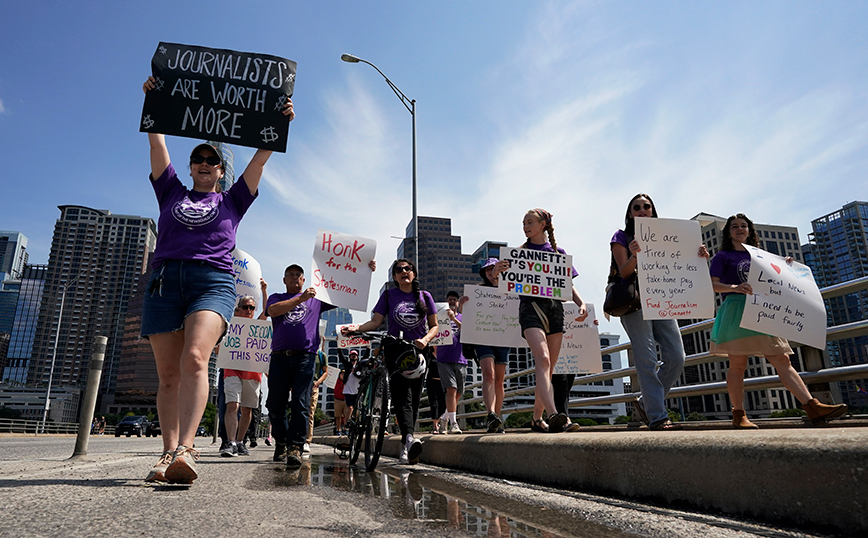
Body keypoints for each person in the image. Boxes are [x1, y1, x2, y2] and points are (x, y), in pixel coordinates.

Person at [140, 76, 294, 484]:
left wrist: (279, 126)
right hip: (166, 281)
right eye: (198, 159)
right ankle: (166, 453)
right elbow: (157, 145)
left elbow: (259, 163)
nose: (205, 164)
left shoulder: (232, 200)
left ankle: (187, 450)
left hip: (213, 281)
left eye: (212, 161)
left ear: (221, 171)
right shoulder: (170, 191)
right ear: (190, 168)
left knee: (195, 357)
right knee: (168, 375)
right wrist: (153, 102)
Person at [709, 213, 848, 428]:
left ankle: (812, 406)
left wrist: (787, 267)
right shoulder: (723, 257)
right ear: (728, 232)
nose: (739, 229)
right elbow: (713, 284)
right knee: (738, 364)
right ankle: (739, 415)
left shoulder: (761, 256)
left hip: (763, 309)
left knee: (782, 359)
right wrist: (734, 288)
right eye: (734, 226)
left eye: (743, 225)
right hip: (736, 309)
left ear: (750, 230)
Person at [611, 194, 706, 431]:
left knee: (676, 357)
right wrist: (635, 254)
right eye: (637, 207)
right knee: (647, 359)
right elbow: (624, 273)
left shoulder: (669, 235)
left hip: (663, 299)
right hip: (635, 303)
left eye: (646, 206)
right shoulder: (621, 237)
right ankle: (657, 416)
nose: (642, 210)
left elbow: (684, 264)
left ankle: (646, 403)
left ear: (653, 210)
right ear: (630, 213)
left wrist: (699, 255)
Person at [267, 262, 374, 469]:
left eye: (298, 275)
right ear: (284, 280)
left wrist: (364, 270)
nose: (294, 278)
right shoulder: (277, 298)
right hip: (279, 357)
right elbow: (272, 311)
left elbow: (346, 293)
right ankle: (281, 441)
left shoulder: (317, 300)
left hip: (305, 358)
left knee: (301, 403)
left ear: (303, 279)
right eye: (290, 275)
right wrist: (301, 299)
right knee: (274, 405)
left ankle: (296, 447)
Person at [344, 259, 438, 464]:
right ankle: (410, 439)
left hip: (419, 351)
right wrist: (356, 328)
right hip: (396, 348)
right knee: (402, 395)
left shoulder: (425, 296)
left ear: (413, 273)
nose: (404, 272)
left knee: (414, 396)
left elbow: (434, 326)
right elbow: (376, 321)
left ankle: (407, 441)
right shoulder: (388, 295)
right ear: (394, 276)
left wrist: (425, 340)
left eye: (407, 269)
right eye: (399, 270)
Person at [509, 209, 588, 433]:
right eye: (523, 222)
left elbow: (568, 283)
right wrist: (498, 271)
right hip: (530, 308)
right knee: (542, 359)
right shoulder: (518, 253)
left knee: (549, 368)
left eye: (530, 222)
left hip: (555, 309)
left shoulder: (557, 252)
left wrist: (580, 302)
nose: (525, 226)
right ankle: (555, 414)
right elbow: (504, 281)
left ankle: (536, 418)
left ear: (543, 224)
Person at [464, 258, 511, 433]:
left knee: (500, 379)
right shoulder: (478, 290)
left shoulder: (510, 289)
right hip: (483, 337)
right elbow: (468, 315)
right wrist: (463, 305)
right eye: (487, 270)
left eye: (494, 268)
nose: (491, 272)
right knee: (488, 374)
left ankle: (497, 420)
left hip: (502, 337)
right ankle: (491, 413)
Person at [220, 295, 264, 457]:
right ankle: (230, 442)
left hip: (252, 374)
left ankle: (239, 442)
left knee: (247, 409)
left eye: (251, 308)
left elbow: (267, 311)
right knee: (232, 405)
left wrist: (264, 290)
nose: (248, 310)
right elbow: (218, 348)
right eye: (245, 307)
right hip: (232, 370)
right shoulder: (228, 326)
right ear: (237, 309)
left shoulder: (259, 327)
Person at [438, 291, 467, 434]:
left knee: (458, 392)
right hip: (443, 359)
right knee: (451, 390)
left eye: (454, 300)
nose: (452, 302)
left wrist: (454, 319)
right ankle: (454, 423)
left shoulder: (463, 318)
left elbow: (467, 331)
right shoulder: (440, 318)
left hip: (461, 358)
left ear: (458, 303)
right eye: (449, 300)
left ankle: (444, 417)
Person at [305, 336, 330, 453]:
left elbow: (326, 372)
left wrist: (318, 382)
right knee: (299, 411)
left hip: (314, 386)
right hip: (302, 385)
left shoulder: (321, 355)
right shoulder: (304, 351)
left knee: (310, 413)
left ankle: (307, 441)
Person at [426, 343, 447, 434]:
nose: (436, 345)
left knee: (443, 404)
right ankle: (435, 426)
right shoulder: (429, 355)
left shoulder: (444, 355)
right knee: (434, 403)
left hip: (442, 381)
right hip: (432, 381)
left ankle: (439, 422)